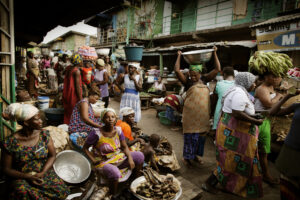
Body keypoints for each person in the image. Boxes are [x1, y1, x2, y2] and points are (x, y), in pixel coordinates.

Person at [203, 72, 263, 198]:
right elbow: (236, 113)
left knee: (232, 161)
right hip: (234, 134)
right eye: (253, 82)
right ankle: (209, 183)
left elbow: (241, 110)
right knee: (229, 161)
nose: (254, 84)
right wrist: (255, 121)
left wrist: (253, 116)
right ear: (246, 82)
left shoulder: (238, 90)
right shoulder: (238, 93)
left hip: (234, 133)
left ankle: (230, 185)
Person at [1, 103, 70, 199]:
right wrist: (27, 177)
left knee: (62, 191)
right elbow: (6, 169)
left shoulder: (44, 135)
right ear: (26, 123)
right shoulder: (9, 142)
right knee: (21, 191)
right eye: (37, 119)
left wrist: (43, 172)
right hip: (21, 177)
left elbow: (52, 156)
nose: (41, 121)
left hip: (43, 172)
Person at [83, 108, 144, 197]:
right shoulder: (96, 133)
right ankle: (112, 194)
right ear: (103, 119)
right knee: (115, 173)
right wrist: (93, 159)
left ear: (116, 119)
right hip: (103, 162)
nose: (110, 119)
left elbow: (124, 146)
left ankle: (134, 183)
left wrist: (130, 159)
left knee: (139, 156)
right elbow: (85, 148)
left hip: (118, 157)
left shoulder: (118, 130)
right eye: (107, 117)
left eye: (112, 117)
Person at [177, 57, 211, 166]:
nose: (193, 77)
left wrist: (214, 53)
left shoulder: (205, 80)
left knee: (200, 138)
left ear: (200, 73)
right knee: (190, 137)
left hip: (202, 116)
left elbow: (217, 69)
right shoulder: (188, 82)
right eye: (191, 75)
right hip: (190, 116)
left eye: (195, 75)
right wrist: (179, 55)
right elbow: (177, 70)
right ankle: (186, 158)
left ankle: (195, 156)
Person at [269, 89, 300, 200]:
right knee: (288, 185)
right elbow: (273, 112)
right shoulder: (297, 106)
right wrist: (286, 97)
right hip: (290, 152)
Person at [254, 72, 283, 185]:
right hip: (257, 121)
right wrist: (279, 96)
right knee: (254, 150)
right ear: (265, 76)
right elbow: (269, 104)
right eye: (273, 76)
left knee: (264, 150)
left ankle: (265, 175)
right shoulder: (262, 88)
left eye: (278, 76)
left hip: (266, 121)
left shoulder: (272, 87)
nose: (276, 79)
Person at [63, 54, 83, 124]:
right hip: (73, 95)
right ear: (78, 61)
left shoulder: (69, 68)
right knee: (74, 113)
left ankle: (66, 125)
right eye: (81, 60)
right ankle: (72, 127)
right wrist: (81, 100)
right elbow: (77, 87)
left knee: (68, 112)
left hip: (67, 92)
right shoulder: (76, 71)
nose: (82, 62)